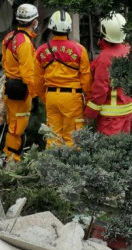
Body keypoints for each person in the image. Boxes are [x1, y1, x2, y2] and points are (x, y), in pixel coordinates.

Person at [35, 10, 93, 148]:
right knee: (72, 138)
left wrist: (46, 97)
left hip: (51, 97)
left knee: (53, 138)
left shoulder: (41, 51)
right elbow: (86, 80)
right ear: (69, 28)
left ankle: (51, 167)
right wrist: (88, 102)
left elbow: (37, 81)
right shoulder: (79, 50)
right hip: (72, 99)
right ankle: (72, 168)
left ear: (51, 27)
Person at [1, 3, 41, 162]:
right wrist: (35, 95)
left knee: (13, 124)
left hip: (10, 86)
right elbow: (28, 74)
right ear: (34, 22)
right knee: (17, 128)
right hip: (21, 90)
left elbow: (4, 61)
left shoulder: (10, 36)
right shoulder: (24, 43)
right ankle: (12, 161)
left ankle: (8, 155)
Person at [85, 12, 132, 135]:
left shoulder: (104, 58)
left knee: (109, 152)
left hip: (110, 119)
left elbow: (99, 91)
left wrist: (89, 114)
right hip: (127, 113)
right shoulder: (128, 49)